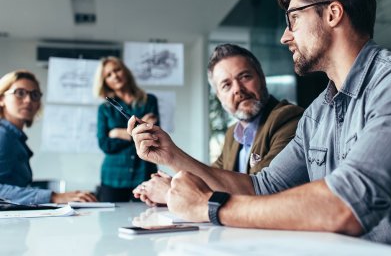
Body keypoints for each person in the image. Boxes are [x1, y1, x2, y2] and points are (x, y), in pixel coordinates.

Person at [128, 0, 391, 247]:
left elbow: (347, 203)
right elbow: (262, 187)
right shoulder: (318, 112)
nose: (285, 37)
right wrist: (171, 155)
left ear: (333, 14)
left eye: (294, 19)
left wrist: (211, 207)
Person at [133, 44, 304, 206]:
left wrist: (170, 191)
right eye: (226, 85)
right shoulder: (233, 134)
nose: (237, 89)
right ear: (219, 97)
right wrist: (173, 186)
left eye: (245, 77)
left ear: (261, 78)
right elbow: (211, 180)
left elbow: (261, 192)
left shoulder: (288, 119)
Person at [0, 70, 97, 204]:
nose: (28, 100)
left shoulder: (14, 137)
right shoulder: (2, 135)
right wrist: (53, 197)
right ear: (1, 99)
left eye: (34, 95)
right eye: (20, 93)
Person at [93, 56, 159, 202]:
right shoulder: (104, 109)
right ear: (105, 82)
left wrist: (117, 133)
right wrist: (136, 133)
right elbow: (105, 144)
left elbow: (153, 137)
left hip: (144, 173)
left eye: (117, 70)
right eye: (108, 75)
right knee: (110, 222)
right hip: (113, 177)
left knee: (147, 219)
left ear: (125, 71)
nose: (115, 76)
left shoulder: (149, 101)